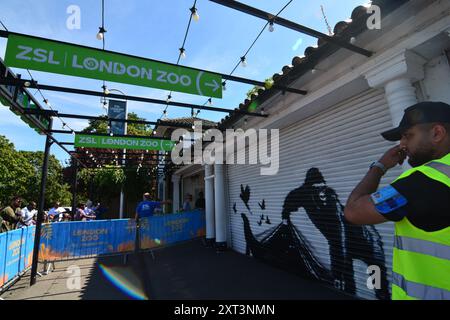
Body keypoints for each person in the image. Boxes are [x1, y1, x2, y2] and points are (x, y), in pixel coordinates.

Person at [344, 101, 450, 300]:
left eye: (408, 135)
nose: (402, 144)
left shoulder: (423, 183)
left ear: (437, 133)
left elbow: (353, 211)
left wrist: (380, 166)